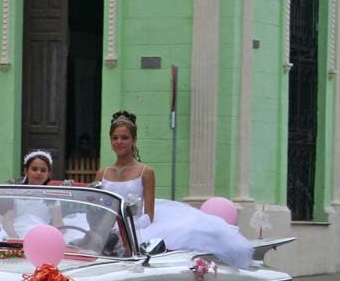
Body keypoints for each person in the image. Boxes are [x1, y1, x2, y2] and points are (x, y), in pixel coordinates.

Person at [96, 110, 253, 268]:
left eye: (125, 138)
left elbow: (148, 216)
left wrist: (124, 229)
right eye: (115, 138)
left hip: (135, 228)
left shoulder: (145, 172)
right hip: (107, 228)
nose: (119, 142)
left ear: (134, 140)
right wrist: (102, 228)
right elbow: (98, 210)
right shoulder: (102, 173)